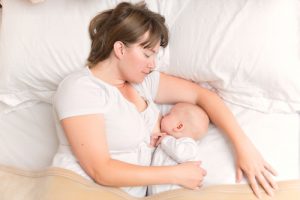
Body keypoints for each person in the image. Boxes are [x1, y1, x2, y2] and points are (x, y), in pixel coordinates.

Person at [51, 1, 277, 198]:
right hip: (80, 190)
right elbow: (101, 170)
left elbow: (204, 96)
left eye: (156, 56)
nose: (153, 64)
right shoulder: (81, 88)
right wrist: (176, 174)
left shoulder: (144, 83)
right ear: (120, 49)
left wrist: (244, 148)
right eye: (147, 54)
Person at [148, 102, 209, 195]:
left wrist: (165, 140)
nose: (163, 115)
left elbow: (180, 154)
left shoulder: (189, 144)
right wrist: (153, 145)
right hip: (155, 193)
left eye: (168, 114)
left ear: (179, 126)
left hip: (177, 194)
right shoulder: (167, 144)